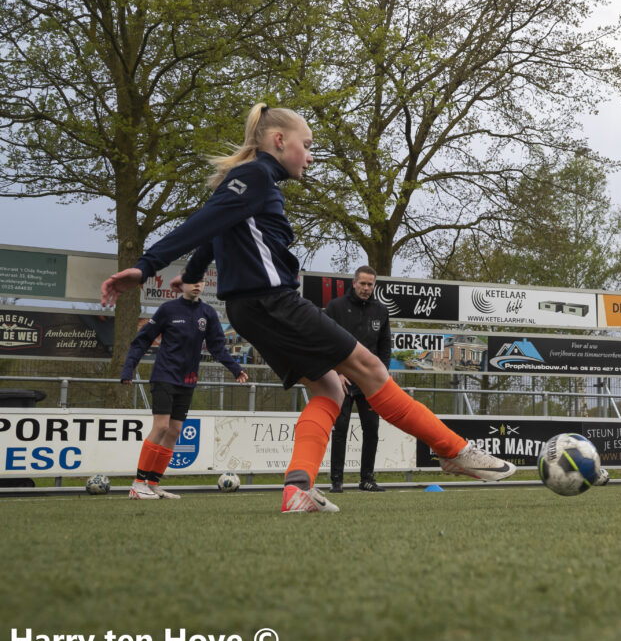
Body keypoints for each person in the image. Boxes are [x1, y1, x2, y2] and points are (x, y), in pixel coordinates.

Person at [101, 102, 516, 514]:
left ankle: (298, 488)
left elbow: (214, 230)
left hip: (253, 309)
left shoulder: (252, 182)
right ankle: (454, 450)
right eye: (308, 144)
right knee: (370, 368)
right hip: (272, 303)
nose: (311, 156)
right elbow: (204, 220)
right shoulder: (254, 175)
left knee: (330, 389)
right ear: (279, 141)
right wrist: (144, 267)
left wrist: (192, 273)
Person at [120, 280, 248, 499]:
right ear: (181, 285)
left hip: (187, 381)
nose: (197, 285)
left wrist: (236, 369)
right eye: (192, 281)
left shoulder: (207, 313)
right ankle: (137, 484)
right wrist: (128, 369)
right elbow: (142, 340)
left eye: (200, 281)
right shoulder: (168, 310)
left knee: (174, 431)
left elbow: (217, 346)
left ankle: (152, 483)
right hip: (164, 376)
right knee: (161, 427)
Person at [325, 266, 390, 493]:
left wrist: (381, 377)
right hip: (341, 380)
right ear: (353, 283)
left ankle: (367, 479)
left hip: (369, 384)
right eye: (362, 283)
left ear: (374, 285)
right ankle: (336, 481)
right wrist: (336, 373)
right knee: (340, 429)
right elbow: (326, 343)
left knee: (371, 429)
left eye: (370, 284)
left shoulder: (381, 311)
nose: (365, 288)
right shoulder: (335, 308)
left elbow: (384, 349)